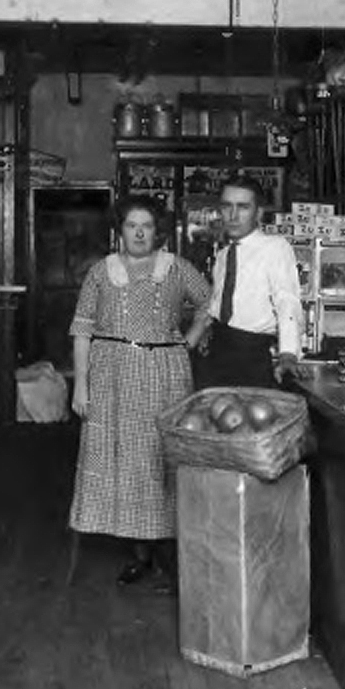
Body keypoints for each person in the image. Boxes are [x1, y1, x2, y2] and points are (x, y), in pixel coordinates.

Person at [70, 195, 212, 589]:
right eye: (132, 225)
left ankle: (173, 558)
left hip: (165, 373)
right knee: (127, 463)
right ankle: (141, 556)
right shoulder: (101, 272)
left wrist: (190, 338)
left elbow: (209, 302)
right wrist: (80, 384)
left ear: (157, 231)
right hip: (112, 374)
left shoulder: (177, 269)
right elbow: (82, 329)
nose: (138, 232)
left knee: (162, 459)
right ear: (121, 230)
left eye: (146, 226)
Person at [194, 180, 303, 388]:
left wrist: (288, 354)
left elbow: (287, 300)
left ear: (258, 213)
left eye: (243, 207)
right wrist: (206, 329)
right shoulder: (224, 255)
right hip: (217, 353)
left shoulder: (275, 248)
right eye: (227, 206)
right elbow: (219, 302)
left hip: (251, 354)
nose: (233, 216)